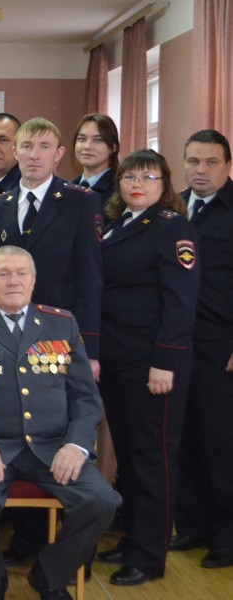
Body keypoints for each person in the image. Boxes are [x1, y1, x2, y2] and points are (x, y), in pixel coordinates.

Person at [0, 246, 119, 600]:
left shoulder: (62, 323)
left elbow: (86, 398)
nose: (14, 281)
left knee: (102, 500)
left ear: (34, 280)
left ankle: (50, 575)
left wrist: (77, 444)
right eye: (4, 273)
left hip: (54, 446)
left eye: (22, 273)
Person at [93, 149, 199, 585]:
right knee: (132, 461)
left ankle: (149, 556)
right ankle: (133, 538)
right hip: (119, 358)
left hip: (152, 363)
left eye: (147, 176)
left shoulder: (172, 228)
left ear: (163, 183)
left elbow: (180, 301)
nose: (137, 183)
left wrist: (165, 362)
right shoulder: (118, 224)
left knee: (154, 460)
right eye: (129, 176)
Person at [0, 117, 102, 369]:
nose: (34, 155)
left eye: (44, 146)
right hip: (6, 329)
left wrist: (89, 349)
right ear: (15, 151)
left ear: (58, 154)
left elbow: (90, 277)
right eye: (26, 146)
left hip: (58, 328)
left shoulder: (80, 202)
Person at [173, 129, 233, 569]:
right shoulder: (173, 209)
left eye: (211, 162)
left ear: (227, 167)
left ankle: (227, 537)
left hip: (221, 346)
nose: (201, 170)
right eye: (194, 161)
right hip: (178, 345)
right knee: (185, 439)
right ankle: (192, 525)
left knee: (222, 444)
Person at [70, 114, 119, 210]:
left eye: (97, 140)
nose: (87, 146)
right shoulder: (68, 188)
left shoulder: (120, 190)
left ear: (112, 148)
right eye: (82, 139)